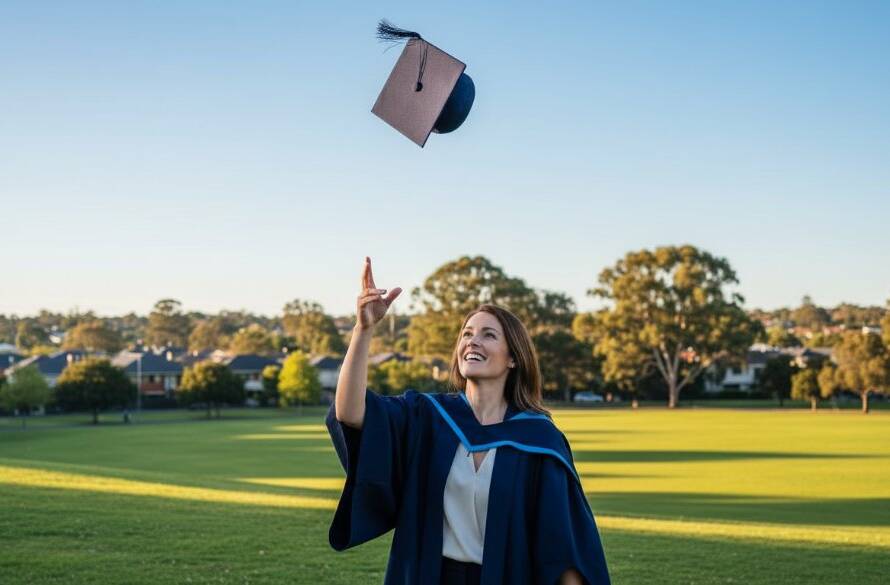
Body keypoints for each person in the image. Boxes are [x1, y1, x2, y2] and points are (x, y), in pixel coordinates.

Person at [325, 257, 611, 585]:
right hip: (428, 575)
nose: (472, 341)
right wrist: (363, 329)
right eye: (467, 333)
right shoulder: (427, 417)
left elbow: (562, 542)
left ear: (514, 358)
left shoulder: (538, 440)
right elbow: (349, 412)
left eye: (489, 335)